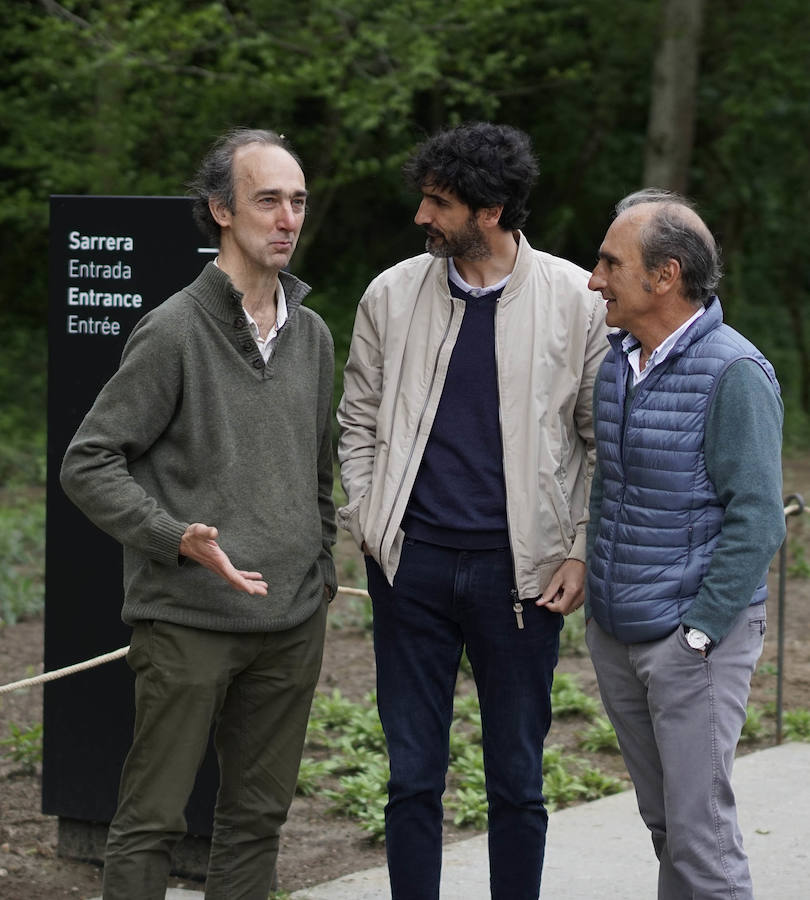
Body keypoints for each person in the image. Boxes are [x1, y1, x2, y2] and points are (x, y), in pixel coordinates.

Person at [60, 128, 337, 900]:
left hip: (289, 627)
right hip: (186, 624)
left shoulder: (312, 335)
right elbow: (88, 462)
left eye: (298, 202)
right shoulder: (174, 330)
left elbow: (319, 472)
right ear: (220, 209)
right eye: (268, 200)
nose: (288, 218)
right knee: (151, 824)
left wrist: (319, 569)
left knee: (258, 822)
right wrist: (174, 538)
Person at [336, 121, 609, 899]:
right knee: (412, 778)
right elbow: (356, 420)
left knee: (519, 781)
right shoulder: (391, 294)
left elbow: (598, 441)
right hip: (410, 569)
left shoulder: (574, 301)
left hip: (520, 580)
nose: (423, 216)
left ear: (489, 211)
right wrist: (368, 516)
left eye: (439, 202)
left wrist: (580, 546)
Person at [585, 188, 785, 900]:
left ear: (664, 276)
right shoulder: (620, 363)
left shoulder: (734, 373)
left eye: (610, 263)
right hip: (620, 630)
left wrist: (699, 632)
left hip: (693, 641)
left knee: (701, 841)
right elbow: (612, 486)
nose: (594, 278)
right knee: (668, 826)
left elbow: (759, 518)